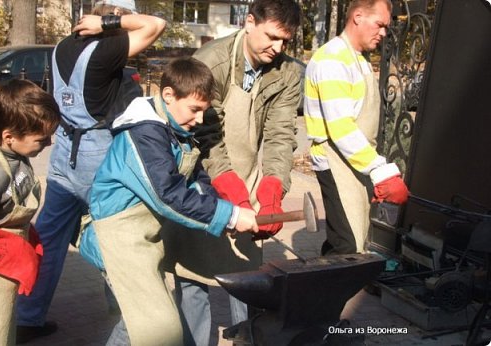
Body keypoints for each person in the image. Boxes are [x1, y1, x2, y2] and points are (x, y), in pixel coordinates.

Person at [15, 0, 166, 342]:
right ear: (112, 16)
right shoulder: (107, 46)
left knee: (49, 239)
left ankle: (28, 316)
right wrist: (112, 24)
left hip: (64, 154)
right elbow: (156, 25)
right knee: (115, 237)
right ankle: (127, 315)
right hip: (97, 158)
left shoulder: (63, 45)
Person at [82, 56, 259, 345]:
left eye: (204, 111)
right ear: (168, 95)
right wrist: (231, 216)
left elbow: (196, 180)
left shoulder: (178, 130)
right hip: (115, 239)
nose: (200, 119)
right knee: (152, 326)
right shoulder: (144, 133)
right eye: (194, 109)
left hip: (142, 239)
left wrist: (227, 212)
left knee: (143, 323)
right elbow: (168, 195)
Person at [160, 0, 303, 344]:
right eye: (272, 37)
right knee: (193, 280)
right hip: (200, 182)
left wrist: (271, 187)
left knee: (248, 282)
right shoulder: (212, 62)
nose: (278, 48)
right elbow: (204, 134)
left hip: (251, 183)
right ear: (249, 22)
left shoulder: (287, 72)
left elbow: (281, 135)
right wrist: (227, 186)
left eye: (286, 41)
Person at [304, 0, 408, 256]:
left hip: (352, 164)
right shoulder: (332, 61)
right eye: (379, 24)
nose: (383, 32)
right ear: (358, 16)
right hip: (335, 162)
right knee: (347, 247)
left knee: (347, 240)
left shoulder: (358, 59)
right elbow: (341, 129)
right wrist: (381, 171)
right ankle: (320, 295)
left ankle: (320, 288)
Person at [0, 79, 60, 346]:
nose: (48, 143)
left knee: (2, 328)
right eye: (41, 139)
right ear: (9, 136)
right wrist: (1, 249)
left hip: (5, 266)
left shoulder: (12, 150)